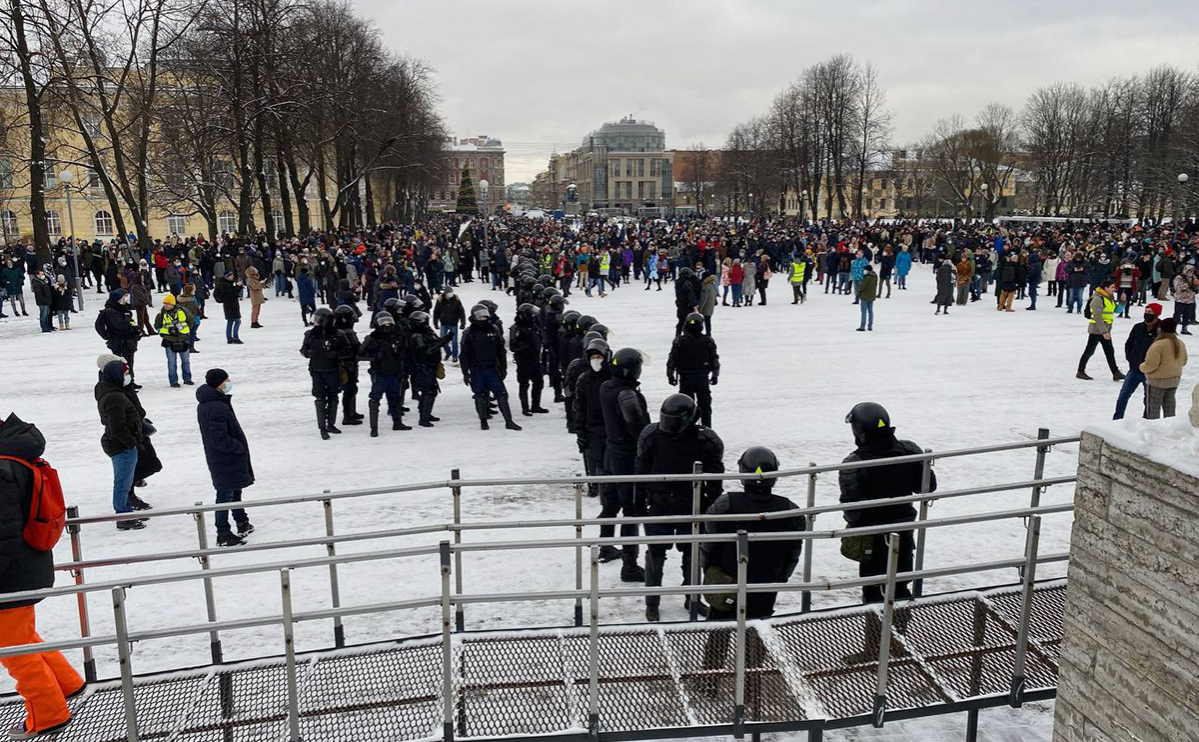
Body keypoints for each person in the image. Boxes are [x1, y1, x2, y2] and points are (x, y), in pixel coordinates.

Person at [0, 413, 86, 740]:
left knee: (12, 650)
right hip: (28, 565)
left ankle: (48, 714)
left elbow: (3, 535)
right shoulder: (16, 458)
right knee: (21, 636)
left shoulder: (2, 470)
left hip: (11, 574)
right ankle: (66, 683)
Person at [634, 394, 725, 622]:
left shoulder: (705, 439)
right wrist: (639, 502)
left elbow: (716, 474)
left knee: (692, 553)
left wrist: (710, 503)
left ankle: (692, 597)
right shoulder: (651, 435)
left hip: (691, 504)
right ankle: (652, 601)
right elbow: (640, 469)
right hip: (659, 503)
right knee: (655, 553)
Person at [838, 402, 937, 603]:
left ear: (858, 430)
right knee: (900, 586)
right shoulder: (908, 450)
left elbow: (852, 512)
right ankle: (899, 629)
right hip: (904, 533)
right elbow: (928, 486)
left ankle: (876, 633)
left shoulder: (854, 463)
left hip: (872, 540)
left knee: (874, 591)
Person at [701, 446, 803, 620]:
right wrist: (782, 576)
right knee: (759, 626)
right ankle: (755, 647)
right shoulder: (790, 510)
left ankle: (717, 648)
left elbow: (708, 543)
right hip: (767, 582)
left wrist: (708, 567)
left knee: (718, 624)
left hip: (728, 578)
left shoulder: (725, 504)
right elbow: (794, 551)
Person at [599, 348, 650, 582]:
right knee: (630, 510)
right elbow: (637, 426)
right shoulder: (626, 394)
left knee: (610, 504)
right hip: (626, 457)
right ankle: (630, 566)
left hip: (611, 452)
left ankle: (606, 546)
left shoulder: (606, 386)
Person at [196, 369, 254, 547]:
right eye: (226, 380)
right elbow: (219, 438)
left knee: (235, 488)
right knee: (225, 493)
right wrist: (238, 447)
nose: (229, 382)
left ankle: (241, 520)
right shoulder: (216, 406)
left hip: (225, 457)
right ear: (218, 383)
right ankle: (223, 532)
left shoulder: (214, 403)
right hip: (225, 457)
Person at [95, 359, 145, 530]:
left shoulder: (111, 391)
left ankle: (126, 511)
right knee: (123, 483)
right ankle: (123, 515)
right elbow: (117, 426)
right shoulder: (114, 397)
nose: (128, 376)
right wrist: (131, 443)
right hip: (121, 446)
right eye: (125, 373)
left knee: (125, 480)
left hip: (121, 444)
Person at [461, 304, 522, 431]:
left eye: (485, 316)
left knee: (502, 394)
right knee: (480, 395)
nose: (483, 319)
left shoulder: (493, 329)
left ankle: (509, 421)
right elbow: (464, 354)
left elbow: (501, 350)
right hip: (477, 369)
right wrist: (465, 372)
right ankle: (483, 421)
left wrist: (503, 367)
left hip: (492, 368)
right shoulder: (469, 333)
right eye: (480, 317)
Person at [301, 307, 350, 440]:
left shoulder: (337, 334)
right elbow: (304, 350)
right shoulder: (311, 334)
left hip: (332, 370)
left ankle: (331, 424)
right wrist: (309, 353)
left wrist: (336, 354)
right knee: (320, 399)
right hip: (317, 371)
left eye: (318, 320)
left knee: (333, 397)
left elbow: (347, 350)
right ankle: (322, 427)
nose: (315, 322)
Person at [359, 312, 409, 435]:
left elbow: (406, 351)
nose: (387, 325)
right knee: (374, 399)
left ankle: (397, 423)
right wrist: (375, 356)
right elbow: (360, 354)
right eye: (383, 322)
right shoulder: (372, 338)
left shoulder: (397, 336)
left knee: (395, 399)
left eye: (389, 322)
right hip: (380, 374)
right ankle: (374, 428)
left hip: (395, 373)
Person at [667, 313, 720, 428]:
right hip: (702, 378)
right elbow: (715, 361)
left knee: (685, 407)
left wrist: (670, 375)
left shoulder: (679, 341)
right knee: (705, 407)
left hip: (685, 378)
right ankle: (707, 429)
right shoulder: (708, 341)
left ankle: (686, 430)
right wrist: (715, 375)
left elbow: (672, 360)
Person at [1114, 303, 1161, 420]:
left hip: (1150, 372)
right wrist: (1130, 358)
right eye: (1146, 312)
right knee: (1123, 396)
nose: (1146, 315)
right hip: (1134, 369)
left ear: (1156, 314)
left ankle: (1147, 421)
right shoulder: (1138, 327)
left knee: (1148, 399)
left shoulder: (1161, 330)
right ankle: (1116, 421)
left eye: (1150, 313)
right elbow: (1128, 344)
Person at [1077, 279, 1126, 382]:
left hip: (1105, 330)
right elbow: (1097, 316)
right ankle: (1080, 371)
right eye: (1112, 287)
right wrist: (1104, 331)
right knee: (1090, 351)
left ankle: (1115, 372)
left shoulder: (1109, 298)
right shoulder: (1098, 299)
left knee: (1109, 351)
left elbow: (1116, 310)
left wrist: (1122, 302)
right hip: (1097, 330)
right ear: (1106, 288)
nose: (1114, 289)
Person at [1140, 318, 1188, 419]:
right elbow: (1184, 361)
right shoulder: (1180, 344)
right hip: (1174, 380)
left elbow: (1151, 365)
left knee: (1153, 410)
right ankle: (1170, 431)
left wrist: (1142, 367)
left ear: (1160, 329)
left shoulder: (1158, 345)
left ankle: (1153, 432)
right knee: (1170, 409)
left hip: (1156, 382)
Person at [510, 303, 549, 416]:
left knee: (538, 382)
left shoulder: (533, 325)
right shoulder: (517, 328)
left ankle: (535, 406)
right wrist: (527, 344)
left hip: (535, 359)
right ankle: (525, 408)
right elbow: (513, 346)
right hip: (523, 360)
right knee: (524, 384)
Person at [98, 289, 141, 387]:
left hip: (128, 341)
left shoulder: (123, 309)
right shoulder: (112, 311)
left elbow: (130, 323)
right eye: (123, 297)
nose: (125, 299)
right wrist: (126, 317)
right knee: (122, 362)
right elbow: (120, 325)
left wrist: (135, 330)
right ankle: (124, 382)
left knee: (129, 362)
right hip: (119, 342)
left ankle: (130, 381)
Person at [153, 293, 194, 388]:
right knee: (171, 362)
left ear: (173, 304)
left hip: (183, 339)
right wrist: (166, 332)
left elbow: (191, 320)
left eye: (168, 303)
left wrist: (185, 331)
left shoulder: (183, 311)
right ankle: (173, 381)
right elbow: (157, 326)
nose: (166, 305)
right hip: (169, 341)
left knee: (186, 361)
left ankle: (187, 379)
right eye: (165, 303)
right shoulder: (161, 314)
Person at [333, 305, 364, 426]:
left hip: (346, 364)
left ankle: (351, 412)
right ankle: (348, 415)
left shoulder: (337, 330)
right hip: (347, 365)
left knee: (351, 389)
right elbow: (356, 348)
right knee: (349, 389)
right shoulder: (346, 332)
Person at [432, 288, 466, 364]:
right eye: (449, 293)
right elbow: (436, 312)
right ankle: (448, 352)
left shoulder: (456, 300)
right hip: (444, 323)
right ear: (445, 294)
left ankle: (455, 355)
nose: (450, 294)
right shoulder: (440, 301)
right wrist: (435, 323)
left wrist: (463, 322)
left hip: (454, 323)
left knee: (454, 341)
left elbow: (461, 311)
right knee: (442, 340)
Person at [213, 270, 243, 344]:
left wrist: (238, 287)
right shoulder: (225, 285)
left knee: (230, 321)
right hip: (230, 305)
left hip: (229, 305)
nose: (232, 277)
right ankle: (235, 337)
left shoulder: (227, 283)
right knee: (237, 321)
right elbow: (232, 294)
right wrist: (238, 286)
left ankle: (229, 338)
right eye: (231, 276)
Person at [1172, 265, 1196, 335]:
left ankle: (1184, 328)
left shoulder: (1193, 278)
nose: (1191, 272)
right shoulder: (1179, 278)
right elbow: (1177, 288)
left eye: (1192, 271)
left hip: (1190, 300)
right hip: (1180, 300)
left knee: (1187, 315)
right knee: (1177, 315)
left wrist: (1195, 285)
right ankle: (1173, 329)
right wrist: (1188, 284)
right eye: (1189, 271)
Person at [674, 267, 699, 335]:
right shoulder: (686, 283)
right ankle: (687, 334)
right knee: (689, 321)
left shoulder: (678, 283)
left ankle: (678, 334)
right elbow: (691, 295)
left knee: (681, 321)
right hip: (687, 305)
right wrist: (694, 304)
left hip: (680, 304)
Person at [857, 264, 878, 332]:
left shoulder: (867, 277)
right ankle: (870, 325)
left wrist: (858, 289)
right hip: (871, 296)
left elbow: (862, 287)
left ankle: (862, 326)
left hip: (865, 296)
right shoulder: (875, 276)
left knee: (864, 312)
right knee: (870, 311)